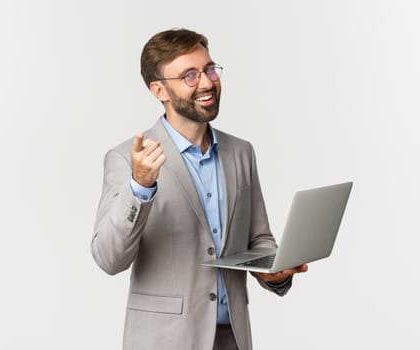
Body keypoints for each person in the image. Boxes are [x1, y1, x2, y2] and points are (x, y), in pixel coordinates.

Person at [92, 28, 308, 350]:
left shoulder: (241, 152)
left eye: (208, 69)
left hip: (232, 338)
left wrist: (274, 271)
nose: (206, 82)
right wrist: (140, 186)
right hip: (165, 341)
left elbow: (258, 239)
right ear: (158, 90)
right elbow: (109, 258)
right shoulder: (128, 159)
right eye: (189, 76)